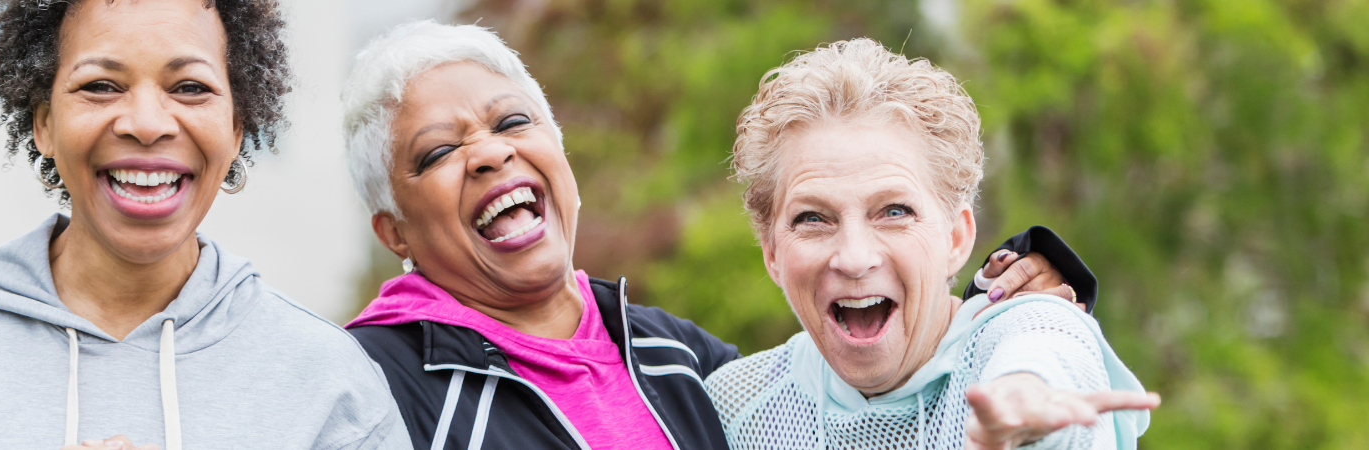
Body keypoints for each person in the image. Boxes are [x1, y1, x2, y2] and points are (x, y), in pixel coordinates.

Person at [338, 21, 1083, 450]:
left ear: (558, 155)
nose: (490, 152)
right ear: (393, 229)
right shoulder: (360, 382)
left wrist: (1023, 291)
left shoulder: (680, 362)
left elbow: (986, 359)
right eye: (438, 153)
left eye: (512, 122)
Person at [0, 1, 409, 449]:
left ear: (236, 128)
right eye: (100, 86)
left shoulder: (330, 381)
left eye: (190, 87)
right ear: (44, 125)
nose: (146, 122)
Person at [701, 38, 1159, 449]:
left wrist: (1025, 397)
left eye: (895, 212)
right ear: (773, 253)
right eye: (813, 218)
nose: (856, 259)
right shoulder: (731, 407)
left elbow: (1049, 353)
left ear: (956, 238)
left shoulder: (1024, 331)